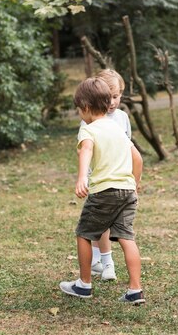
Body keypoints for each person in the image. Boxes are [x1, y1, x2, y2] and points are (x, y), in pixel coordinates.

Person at [60, 77, 145, 304]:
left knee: (84, 234)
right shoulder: (116, 128)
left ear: (86, 107)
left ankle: (84, 285)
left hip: (105, 191)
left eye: (79, 109)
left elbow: (85, 150)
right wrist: (134, 183)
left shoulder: (89, 129)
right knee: (127, 237)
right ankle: (135, 290)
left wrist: (81, 177)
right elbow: (137, 158)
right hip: (127, 190)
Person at [82, 69, 132, 281]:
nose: (112, 102)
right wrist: (84, 176)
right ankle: (105, 262)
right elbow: (85, 148)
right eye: (107, 96)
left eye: (116, 95)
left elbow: (130, 149)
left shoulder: (123, 118)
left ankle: (102, 262)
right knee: (99, 225)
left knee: (119, 229)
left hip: (121, 179)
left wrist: (133, 178)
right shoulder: (89, 118)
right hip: (99, 180)